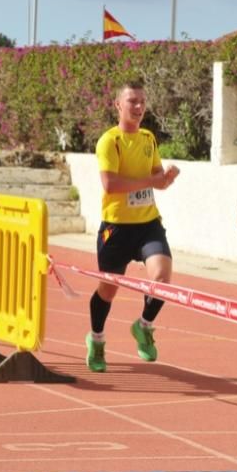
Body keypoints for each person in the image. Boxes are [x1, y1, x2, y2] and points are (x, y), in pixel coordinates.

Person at [86, 81, 180, 373]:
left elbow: (157, 181)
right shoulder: (109, 141)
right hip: (116, 228)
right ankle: (97, 340)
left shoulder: (148, 138)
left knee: (162, 279)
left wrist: (167, 178)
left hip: (148, 224)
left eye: (142, 101)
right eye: (132, 102)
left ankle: (144, 326)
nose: (139, 107)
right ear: (118, 105)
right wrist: (151, 181)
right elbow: (110, 184)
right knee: (108, 290)